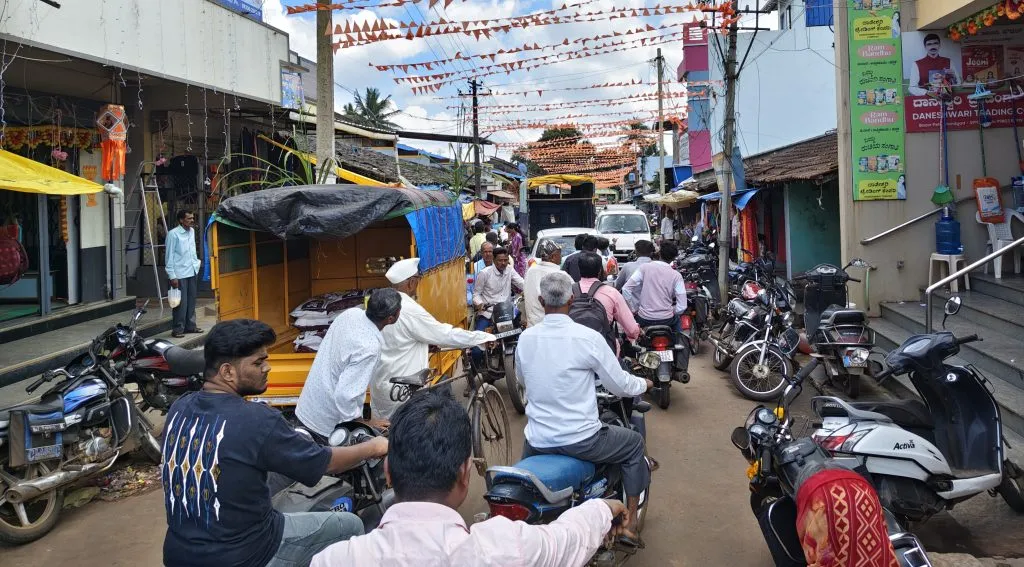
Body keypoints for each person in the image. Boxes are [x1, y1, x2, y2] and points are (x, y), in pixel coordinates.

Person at [310, 390, 630, 566]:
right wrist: (604, 508)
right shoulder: (505, 547)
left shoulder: (333, 559)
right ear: (465, 474)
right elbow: (565, 539)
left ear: (389, 472)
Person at [161, 319, 387, 567]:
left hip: (178, 553)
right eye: (258, 362)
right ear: (227, 372)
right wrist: (374, 447)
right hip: (247, 555)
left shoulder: (179, 408)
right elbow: (326, 463)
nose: (267, 367)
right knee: (350, 525)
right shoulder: (257, 420)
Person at [516, 271, 653, 539]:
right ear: (572, 300)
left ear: (542, 301)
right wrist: (644, 384)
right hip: (583, 440)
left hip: (537, 440)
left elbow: (523, 379)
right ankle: (631, 521)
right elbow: (619, 385)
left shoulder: (526, 338)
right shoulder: (587, 338)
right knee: (634, 444)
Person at [370, 258, 494, 419]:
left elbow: (397, 340)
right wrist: (481, 337)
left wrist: (424, 345)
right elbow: (445, 334)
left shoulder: (378, 304)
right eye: (418, 279)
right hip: (404, 392)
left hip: (381, 390)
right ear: (411, 283)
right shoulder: (408, 308)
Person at [295, 289, 402, 442]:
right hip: (325, 427)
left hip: (307, 409)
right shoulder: (368, 347)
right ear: (391, 318)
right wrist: (363, 423)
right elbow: (346, 395)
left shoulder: (351, 314)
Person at [471, 247, 524, 368]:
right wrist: (480, 304)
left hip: (507, 313)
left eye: (505, 260)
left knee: (522, 337)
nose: (503, 263)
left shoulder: (510, 270)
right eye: (500, 260)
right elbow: (476, 294)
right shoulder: (484, 273)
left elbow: (521, 283)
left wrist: (531, 290)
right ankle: (475, 371)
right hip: (488, 313)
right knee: (477, 348)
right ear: (494, 260)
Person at [577, 252, 640, 354]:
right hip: (604, 351)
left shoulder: (569, 291)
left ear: (579, 270)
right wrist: (636, 334)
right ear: (600, 271)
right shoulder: (611, 293)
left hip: (575, 349)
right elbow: (632, 329)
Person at [622, 241, 687, 333]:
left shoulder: (644, 268)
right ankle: (681, 341)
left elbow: (625, 289)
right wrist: (672, 310)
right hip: (667, 319)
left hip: (644, 318)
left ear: (659, 253)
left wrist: (633, 309)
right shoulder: (676, 275)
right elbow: (682, 307)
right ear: (674, 258)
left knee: (629, 336)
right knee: (678, 330)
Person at [165, 210, 203, 338]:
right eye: (189, 218)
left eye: (192, 218)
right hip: (179, 273)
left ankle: (190, 326)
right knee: (181, 303)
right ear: (181, 220)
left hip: (192, 270)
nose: (192, 220)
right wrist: (172, 276)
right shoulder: (173, 234)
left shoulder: (191, 231)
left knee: (191, 301)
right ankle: (178, 329)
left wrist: (196, 264)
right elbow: (169, 255)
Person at [523, 239, 563, 327]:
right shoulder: (559, 275)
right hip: (552, 326)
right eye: (559, 254)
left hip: (532, 325)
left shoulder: (531, 271)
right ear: (553, 257)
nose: (561, 256)